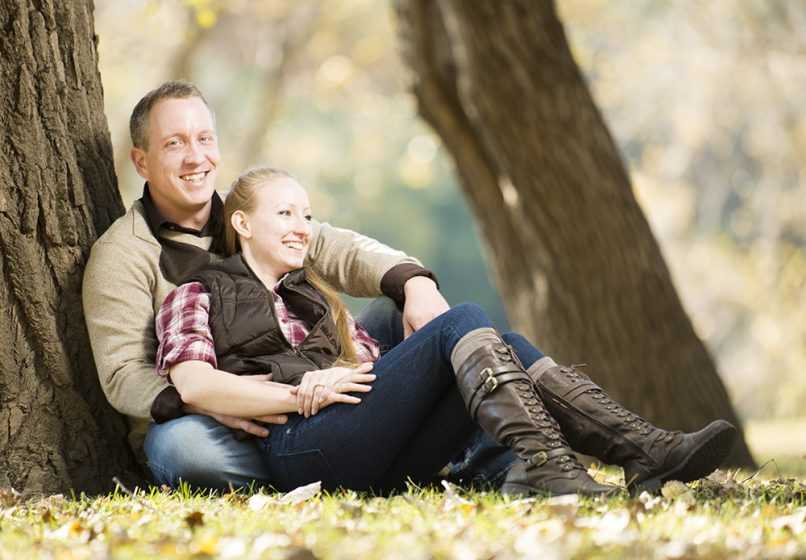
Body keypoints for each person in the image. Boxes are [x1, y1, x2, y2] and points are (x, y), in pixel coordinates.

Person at [154, 166, 737, 496]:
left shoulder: (314, 298)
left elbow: (392, 373)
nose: (302, 227)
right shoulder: (196, 294)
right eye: (284, 214)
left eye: (307, 215)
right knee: (465, 322)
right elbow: (196, 386)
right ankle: (565, 463)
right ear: (241, 222)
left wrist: (361, 358)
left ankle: (635, 450)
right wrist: (303, 392)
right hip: (299, 447)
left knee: (489, 347)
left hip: (367, 445)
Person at [81, 81, 454, 484]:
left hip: (306, 380)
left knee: (396, 311)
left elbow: (342, 250)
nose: (196, 157)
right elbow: (122, 373)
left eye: (204, 138)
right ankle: (327, 464)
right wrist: (204, 403)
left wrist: (416, 283)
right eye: (174, 144)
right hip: (210, 420)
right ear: (141, 162)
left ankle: (353, 455)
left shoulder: (253, 212)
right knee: (183, 449)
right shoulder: (121, 254)